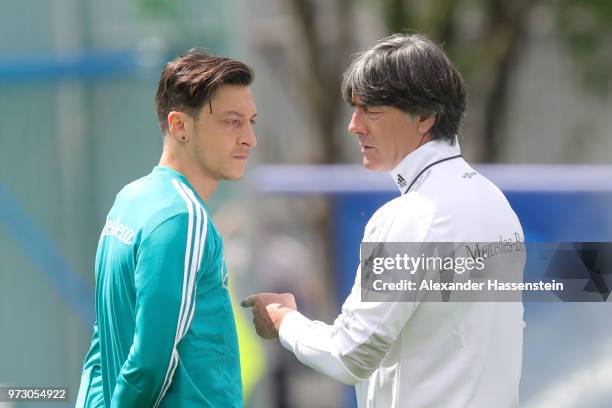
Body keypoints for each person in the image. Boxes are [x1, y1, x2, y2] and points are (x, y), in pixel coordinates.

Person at [242, 33, 525, 407]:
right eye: (355, 109)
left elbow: (349, 355)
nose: (354, 125)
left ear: (425, 117)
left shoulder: (410, 216)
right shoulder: (495, 203)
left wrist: (284, 321)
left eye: (372, 110)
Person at [76, 49, 257, 408]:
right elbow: (150, 361)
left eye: (252, 121)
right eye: (232, 121)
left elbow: (101, 349)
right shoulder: (183, 216)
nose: (250, 138)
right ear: (179, 126)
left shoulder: (129, 201)